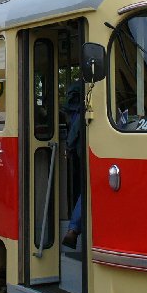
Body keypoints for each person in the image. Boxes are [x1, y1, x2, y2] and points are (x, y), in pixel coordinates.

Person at [61, 81, 83, 249]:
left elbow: (73, 131)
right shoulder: (83, 108)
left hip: (78, 152)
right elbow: (75, 130)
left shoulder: (74, 110)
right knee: (87, 191)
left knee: (83, 190)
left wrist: (69, 146)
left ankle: (74, 228)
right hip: (83, 152)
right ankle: (73, 229)